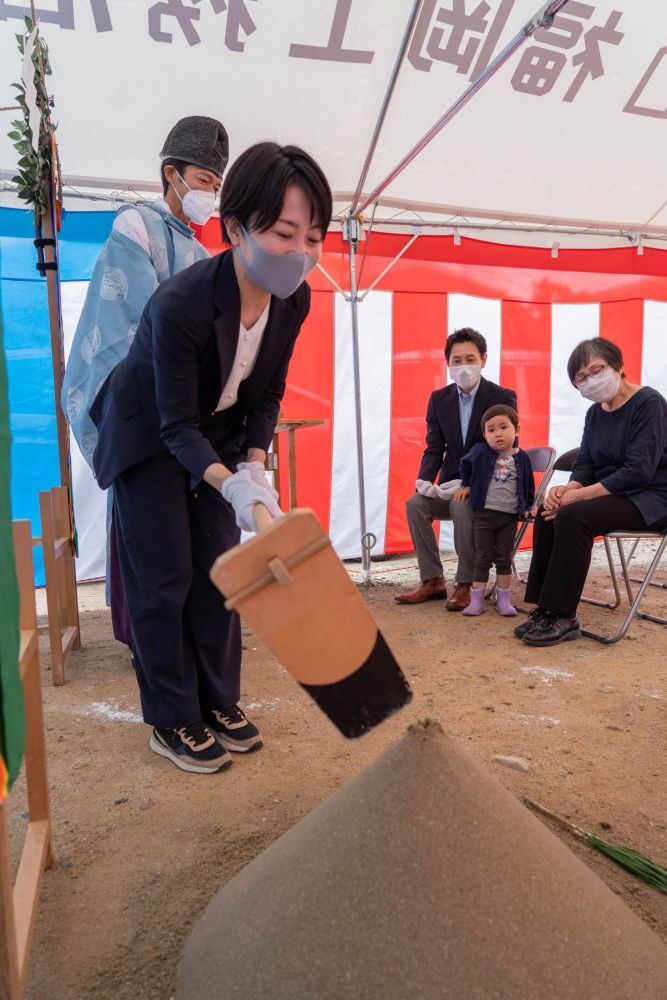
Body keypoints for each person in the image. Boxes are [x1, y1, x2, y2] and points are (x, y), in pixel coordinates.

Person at [89, 142, 332, 774]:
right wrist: (231, 486)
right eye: (283, 233)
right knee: (165, 576)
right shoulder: (181, 303)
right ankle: (172, 718)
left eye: (314, 236)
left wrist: (254, 465)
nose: (300, 253)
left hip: (216, 439)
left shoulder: (295, 298)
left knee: (222, 570)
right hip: (148, 440)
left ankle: (218, 700)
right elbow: (175, 425)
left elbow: (267, 389)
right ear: (235, 229)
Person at [62, 116, 228, 648]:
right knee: (149, 518)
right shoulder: (135, 227)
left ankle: (185, 632)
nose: (212, 195)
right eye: (204, 180)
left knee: (184, 534)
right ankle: (144, 633)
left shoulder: (203, 254)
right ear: (171, 174)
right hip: (141, 400)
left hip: (182, 408)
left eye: (217, 185)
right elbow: (129, 321)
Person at [516, 337, 667, 647]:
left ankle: (564, 615)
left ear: (619, 366)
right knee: (550, 511)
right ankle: (545, 608)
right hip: (614, 493)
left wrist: (579, 496)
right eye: (581, 378)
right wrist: (567, 488)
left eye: (595, 370)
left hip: (652, 497)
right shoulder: (595, 413)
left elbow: (639, 471)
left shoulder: (649, 403)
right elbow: (585, 462)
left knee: (573, 516)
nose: (589, 380)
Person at [396, 328, 517, 610]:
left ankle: (467, 583)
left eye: (470, 359)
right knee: (415, 504)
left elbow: (505, 448)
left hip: (488, 487)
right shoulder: (439, 399)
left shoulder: (502, 396)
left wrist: (473, 483)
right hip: (450, 485)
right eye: (457, 360)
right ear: (448, 363)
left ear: (484, 359)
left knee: (463, 506)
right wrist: (424, 479)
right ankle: (433, 580)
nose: (464, 367)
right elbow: (434, 447)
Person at [452, 405, 534, 617]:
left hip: (508, 518)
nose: (498, 433)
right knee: (482, 557)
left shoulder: (522, 457)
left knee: (504, 557)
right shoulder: (481, 452)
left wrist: (527, 505)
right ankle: (477, 600)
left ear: (516, 430)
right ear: (485, 435)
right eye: (491, 430)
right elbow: (465, 463)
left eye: (503, 427)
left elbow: (527, 484)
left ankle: (503, 600)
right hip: (484, 516)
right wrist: (468, 484)